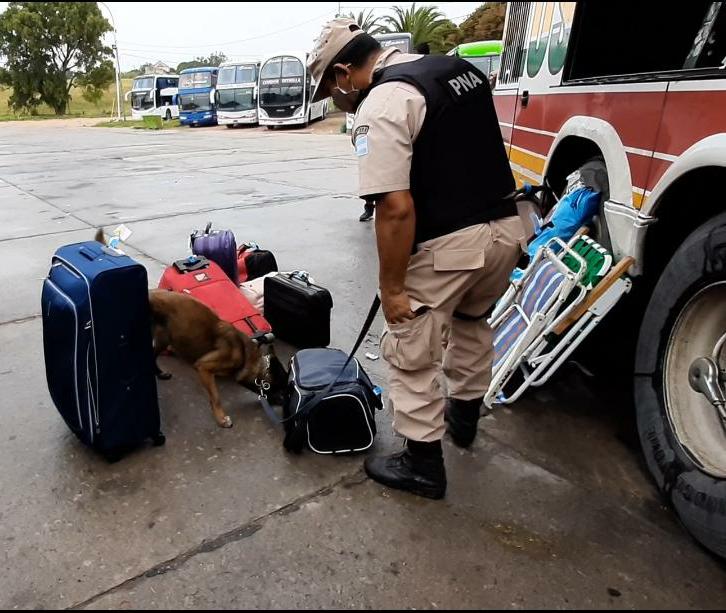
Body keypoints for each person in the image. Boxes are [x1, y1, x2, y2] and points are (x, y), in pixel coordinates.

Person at [307, 19, 524, 499]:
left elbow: (394, 207)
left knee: (409, 349)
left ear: (345, 73)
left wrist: (392, 289)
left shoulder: (383, 102)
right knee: (471, 323)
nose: (341, 103)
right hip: (506, 231)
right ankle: (463, 420)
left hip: (451, 245)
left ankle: (422, 463)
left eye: (334, 92)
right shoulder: (457, 69)